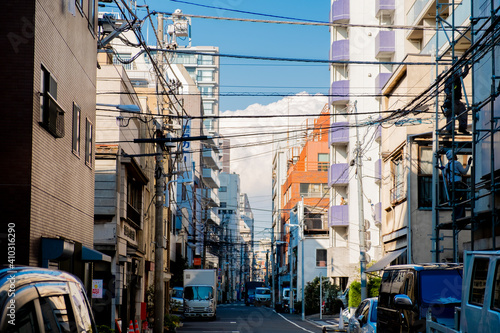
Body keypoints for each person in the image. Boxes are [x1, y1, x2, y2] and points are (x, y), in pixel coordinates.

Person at [443, 150, 472, 219]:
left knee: (455, 201)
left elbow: (444, 174)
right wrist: (468, 164)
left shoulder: (446, 166)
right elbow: (464, 172)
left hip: (450, 186)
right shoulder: (457, 163)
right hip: (458, 185)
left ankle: (455, 216)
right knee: (461, 201)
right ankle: (460, 217)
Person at [442, 67, 469, 134]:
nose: (458, 74)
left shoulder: (459, 78)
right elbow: (446, 89)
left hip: (457, 100)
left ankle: (462, 128)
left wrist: (466, 65)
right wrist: (449, 94)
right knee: (451, 115)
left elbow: (465, 73)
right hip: (451, 100)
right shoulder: (450, 79)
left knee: (463, 112)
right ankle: (450, 130)